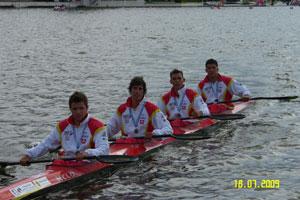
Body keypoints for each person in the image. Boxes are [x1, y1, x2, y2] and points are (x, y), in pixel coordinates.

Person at [20, 91, 109, 165]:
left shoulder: (98, 126)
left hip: (88, 163)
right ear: (70, 109)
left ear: (87, 108)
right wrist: (29, 155)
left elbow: (104, 149)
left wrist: (87, 153)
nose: (78, 112)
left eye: (81, 108)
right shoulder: (62, 126)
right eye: (75, 109)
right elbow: (46, 144)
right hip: (66, 163)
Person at [106, 76, 173, 139]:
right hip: (126, 143)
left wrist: (155, 133)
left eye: (140, 89)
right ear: (130, 91)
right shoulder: (122, 109)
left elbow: (169, 129)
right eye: (135, 88)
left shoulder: (151, 109)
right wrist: (98, 135)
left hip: (146, 143)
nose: (137, 92)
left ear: (144, 92)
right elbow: (110, 128)